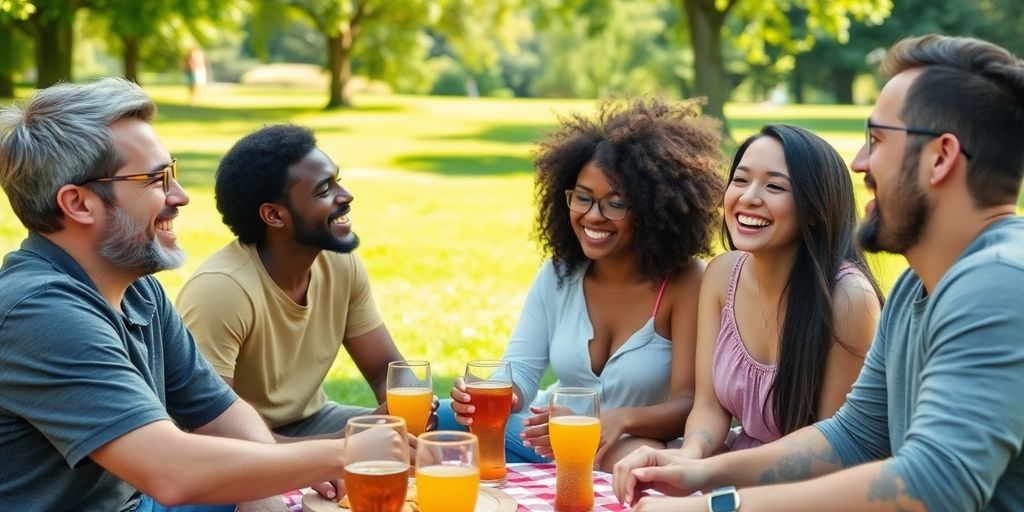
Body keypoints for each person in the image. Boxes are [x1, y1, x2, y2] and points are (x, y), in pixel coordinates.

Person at [613, 34, 1024, 512]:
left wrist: (714, 507)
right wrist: (701, 470)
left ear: (940, 157)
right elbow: (854, 435)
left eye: (877, 140)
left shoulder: (998, 282)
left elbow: (935, 483)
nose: (859, 163)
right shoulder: (921, 283)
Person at [0, 78, 406, 512]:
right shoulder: (39, 311)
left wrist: (272, 487)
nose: (180, 196)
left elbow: (223, 415)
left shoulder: (140, 291)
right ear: (79, 204)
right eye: (156, 179)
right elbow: (172, 472)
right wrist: (346, 455)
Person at [440, 97, 727, 470]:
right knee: (436, 417)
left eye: (615, 203)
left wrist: (618, 419)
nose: (593, 216)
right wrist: (496, 398)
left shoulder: (685, 282)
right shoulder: (559, 273)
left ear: (655, 208)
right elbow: (521, 373)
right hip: (545, 437)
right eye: (583, 198)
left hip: (628, 448)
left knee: (645, 465)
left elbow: (690, 402)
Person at [176, 124, 436, 439]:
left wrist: (410, 408)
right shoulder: (221, 290)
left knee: (454, 424)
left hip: (314, 422)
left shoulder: (339, 263)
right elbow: (211, 432)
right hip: (241, 440)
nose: (346, 195)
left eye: (337, 180)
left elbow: (384, 368)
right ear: (274, 215)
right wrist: (344, 445)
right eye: (324, 189)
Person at [675, 124, 882, 459]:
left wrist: (713, 477)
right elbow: (709, 407)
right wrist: (688, 457)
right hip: (732, 471)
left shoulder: (848, 299)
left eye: (774, 186)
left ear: (814, 209)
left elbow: (830, 451)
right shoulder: (721, 275)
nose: (748, 197)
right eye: (740, 180)